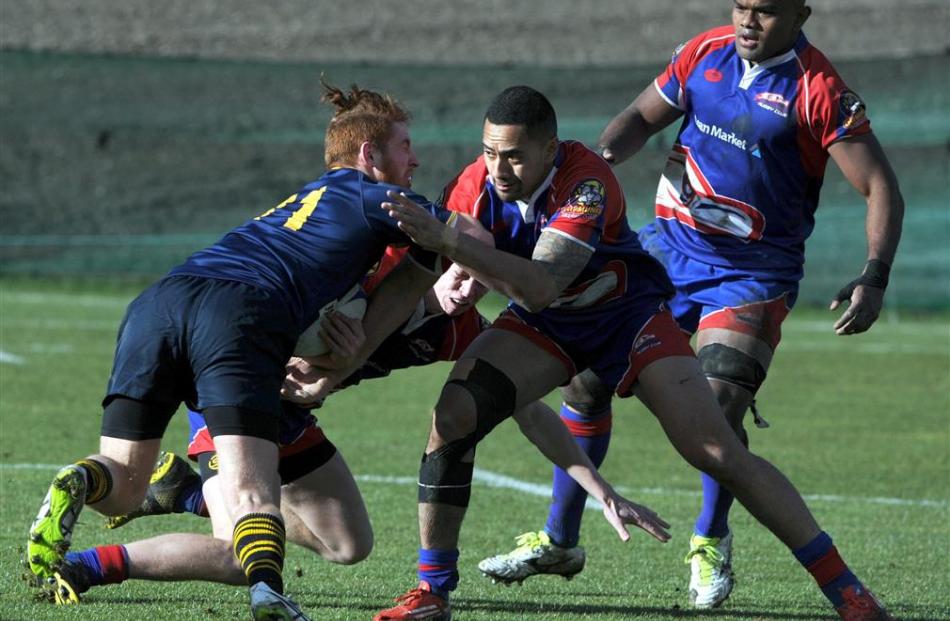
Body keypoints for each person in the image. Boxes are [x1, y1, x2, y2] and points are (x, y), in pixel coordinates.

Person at [303, 85, 894, 621]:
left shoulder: (585, 180)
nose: (499, 168)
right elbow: (434, 265)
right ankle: (431, 592)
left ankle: (848, 592)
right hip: (548, 327)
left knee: (713, 447)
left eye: (513, 155)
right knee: (454, 415)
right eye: (489, 152)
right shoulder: (473, 183)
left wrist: (454, 244)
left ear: (549, 150)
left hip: (627, 318)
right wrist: (353, 356)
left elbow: (540, 282)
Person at [480, 0, 905, 615]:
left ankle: (709, 539)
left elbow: (879, 185)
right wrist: (598, 163)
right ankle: (560, 540)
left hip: (751, 276)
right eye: (740, 6)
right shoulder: (703, 52)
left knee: (719, 402)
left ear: (801, 14)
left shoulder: (820, 90)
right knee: (585, 383)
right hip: (661, 256)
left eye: (764, 11)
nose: (748, 21)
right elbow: (637, 118)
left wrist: (875, 274)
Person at [26, 79, 459, 621]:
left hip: (161, 303)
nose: (415, 160)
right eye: (404, 148)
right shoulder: (380, 203)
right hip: (237, 331)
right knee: (249, 523)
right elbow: (460, 235)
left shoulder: (311, 212)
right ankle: (264, 593)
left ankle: (90, 479)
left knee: (122, 486)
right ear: (369, 155)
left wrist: (340, 361)